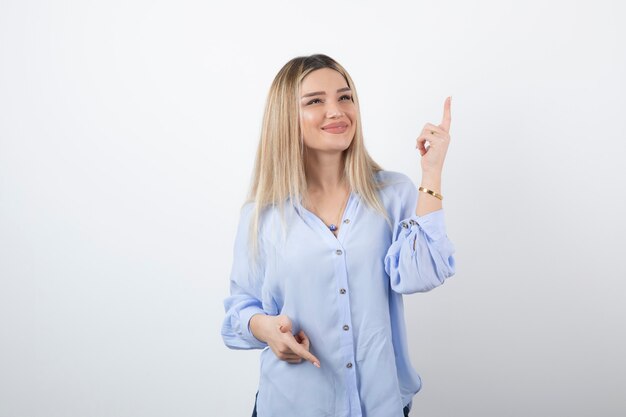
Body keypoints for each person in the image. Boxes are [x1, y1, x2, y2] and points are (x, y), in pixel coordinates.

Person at [221, 53, 456, 417]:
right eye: (316, 101)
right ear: (287, 117)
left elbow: (420, 275)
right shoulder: (262, 215)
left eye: (344, 97)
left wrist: (431, 174)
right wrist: (265, 329)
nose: (336, 110)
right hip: (290, 405)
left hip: (380, 405)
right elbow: (240, 308)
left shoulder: (393, 194)